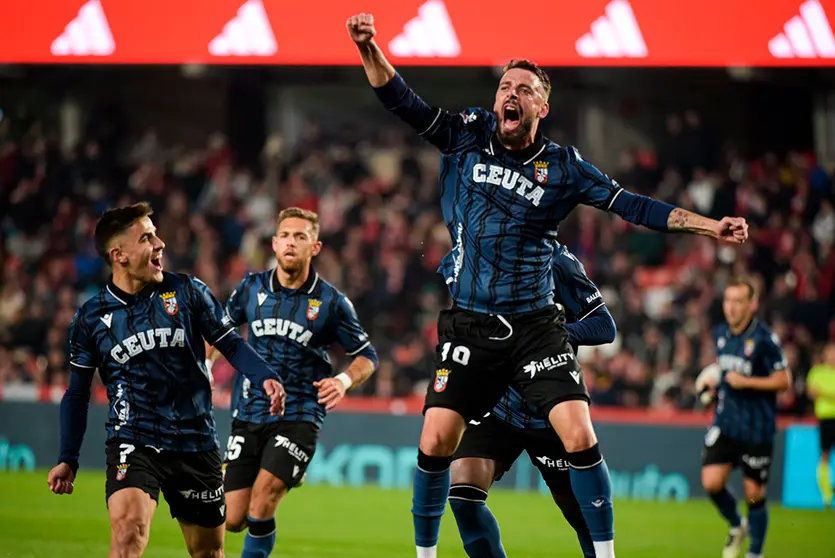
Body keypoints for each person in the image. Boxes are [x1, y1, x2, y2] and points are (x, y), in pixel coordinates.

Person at [346, 13, 749, 558]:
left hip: (535, 329)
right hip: (472, 326)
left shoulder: (563, 168)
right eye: (505, 87)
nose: (511, 94)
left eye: (525, 89)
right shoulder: (466, 136)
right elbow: (401, 101)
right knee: (437, 441)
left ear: (542, 108)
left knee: (579, 434)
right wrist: (368, 47)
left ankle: (604, 554)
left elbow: (634, 206)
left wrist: (709, 226)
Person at [47, 202, 286, 558]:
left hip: (194, 440)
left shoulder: (188, 292)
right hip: (133, 438)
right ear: (119, 255)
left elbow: (231, 344)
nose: (160, 244)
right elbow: (77, 394)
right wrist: (68, 457)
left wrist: (266, 376)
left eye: (155, 235)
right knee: (128, 534)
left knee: (208, 552)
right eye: (146, 238)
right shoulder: (91, 318)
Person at [216, 208, 378, 558]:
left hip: (300, 412)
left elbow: (367, 356)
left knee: (263, 499)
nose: (291, 242)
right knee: (232, 518)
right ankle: (290, 472)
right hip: (249, 410)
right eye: (286, 236)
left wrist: (343, 380)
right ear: (274, 244)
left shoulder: (332, 302)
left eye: (300, 237)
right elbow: (219, 334)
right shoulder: (250, 288)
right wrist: (202, 367)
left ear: (314, 247)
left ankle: (284, 471)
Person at [450, 244, 615, 558]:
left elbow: (604, 326)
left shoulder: (557, 261)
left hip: (548, 407)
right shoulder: (478, 259)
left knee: (579, 514)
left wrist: (550, 337)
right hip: (496, 404)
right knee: (463, 496)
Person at [698, 277, 791, 558]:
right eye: (728, 300)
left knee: (754, 495)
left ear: (753, 304)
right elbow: (726, 371)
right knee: (711, 482)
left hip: (756, 429)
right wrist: (714, 388)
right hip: (726, 423)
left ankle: (755, 553)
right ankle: (737, 525)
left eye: (738, 301)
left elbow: (783, 380)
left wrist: (747, 382)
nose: (732, 307)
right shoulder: (721, 334)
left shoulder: (765, 339)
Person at [806, 343, 835, 508]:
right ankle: (827, 495)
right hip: (826, 419)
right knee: (825, 455)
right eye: (830, 353)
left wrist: (823, 393)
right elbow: (812, 392)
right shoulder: (817, 371)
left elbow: (818, 392)